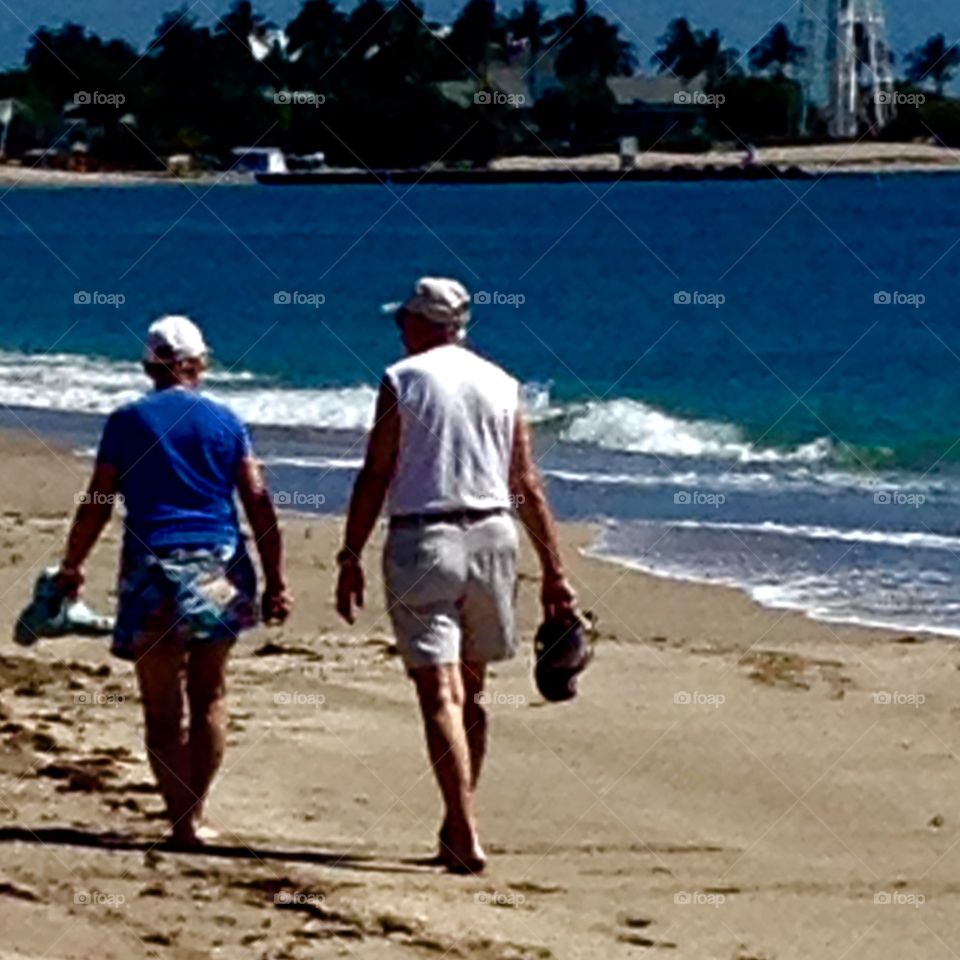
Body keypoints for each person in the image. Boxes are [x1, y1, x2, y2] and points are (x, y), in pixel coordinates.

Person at [335, 278, 577, 874]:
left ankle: (463, 828)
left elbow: (376, 472)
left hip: (425, 536)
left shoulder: (402, 379)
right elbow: (526, 482)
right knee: (472, 692)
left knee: (438, 692)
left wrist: (350, 553)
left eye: (405, 320)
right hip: (494, 535)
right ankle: (457, 821)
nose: (399, 329)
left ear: (423, 324)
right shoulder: (502, 382)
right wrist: (554, 570)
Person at [57, 315, 293, 848]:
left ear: (150, 366)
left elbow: (99, 499)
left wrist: (74, 563)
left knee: (161, 705)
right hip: (217, 566)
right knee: (209, 693)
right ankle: (197, 811)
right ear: (197, 364)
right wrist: (277, 577)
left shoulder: (126, 422)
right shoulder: (226, 422)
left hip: (151, 568)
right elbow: (257, 499)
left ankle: (180, 819)